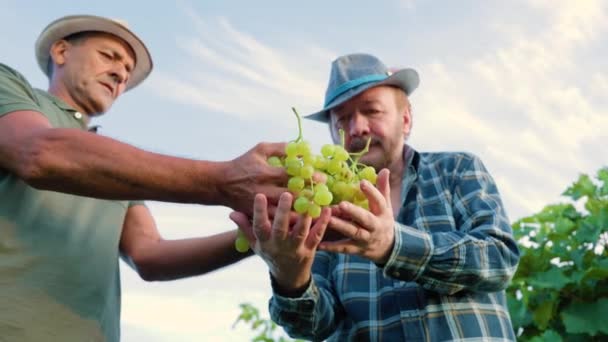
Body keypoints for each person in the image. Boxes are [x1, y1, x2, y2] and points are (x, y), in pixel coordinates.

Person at [0, 15, 289, 341]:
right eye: (109, 56)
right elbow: (38, 154)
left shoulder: (113, 167)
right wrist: (222, 181)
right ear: (61, 51)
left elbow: (150, 255)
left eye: (126, 71)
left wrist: (258, 234)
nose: (120, 73)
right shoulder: (8, 87)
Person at [230, 53, 520, 341]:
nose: (357, 128)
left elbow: (499, 258)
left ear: (405, 119)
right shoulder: (319, 206)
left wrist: (393, 245)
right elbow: (313, 326)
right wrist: (290, 280)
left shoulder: (457, 169)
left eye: (372, 111)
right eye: (342, 119)